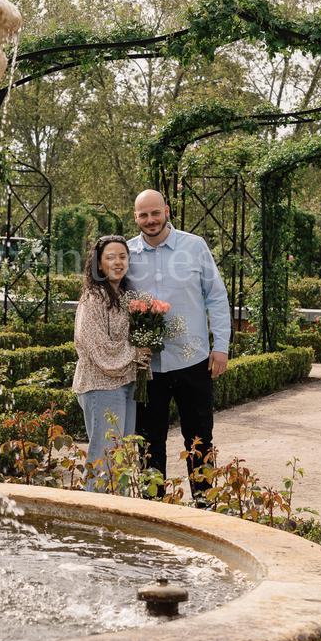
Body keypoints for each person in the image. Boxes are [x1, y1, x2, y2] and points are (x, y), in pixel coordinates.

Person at [127, 190, 231, 498]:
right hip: (148, 368)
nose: (150, 220)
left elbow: (216, 296)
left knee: (199, 439)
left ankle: (205, 505)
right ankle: (155, 509)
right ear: (136, 218)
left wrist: (221, 345)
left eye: (155, 213)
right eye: (143, 215)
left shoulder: (194, 246)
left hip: (193, 361)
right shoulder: (126, 254)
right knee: (148, 441)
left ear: (167, 211)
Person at [72, 235, 151, 490]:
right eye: (110, 257)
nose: (118, 262)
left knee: (122, 458)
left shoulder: (128, 295)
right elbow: (97, 347)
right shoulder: (93, 299)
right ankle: (93, 520)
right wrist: (135, 352)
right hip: (101, 386)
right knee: (103, 459)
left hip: (126, 383)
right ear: (99, 263)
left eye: (122, 256)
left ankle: (116, 515)